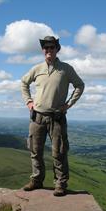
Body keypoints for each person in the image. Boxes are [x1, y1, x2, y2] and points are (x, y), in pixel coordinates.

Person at [21, 36, 85, 196]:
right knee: (35, 151)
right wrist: (29, 102)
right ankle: (36, 180)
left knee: (59, 152)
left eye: (52, 47)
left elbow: (80, 85)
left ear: (57, 49)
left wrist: (68, 104)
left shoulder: (66, 69)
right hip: (37, 116)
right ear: (43, 50)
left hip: (57, 117)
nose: (49, 50)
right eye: (46, 48)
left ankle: (60, 184)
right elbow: (24, 83)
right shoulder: (37, 69)